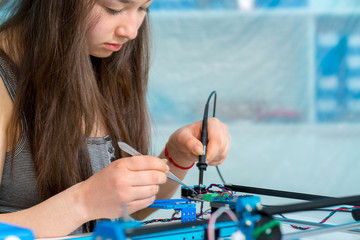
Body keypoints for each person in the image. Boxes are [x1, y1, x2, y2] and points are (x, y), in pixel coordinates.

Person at [0, 0, 230, 238]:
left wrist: (176, 156)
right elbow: (92, 204)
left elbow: (128, 209)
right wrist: (83, 202)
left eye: (143, 9)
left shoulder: (97, 59)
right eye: (114, 8)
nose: (131, 32)